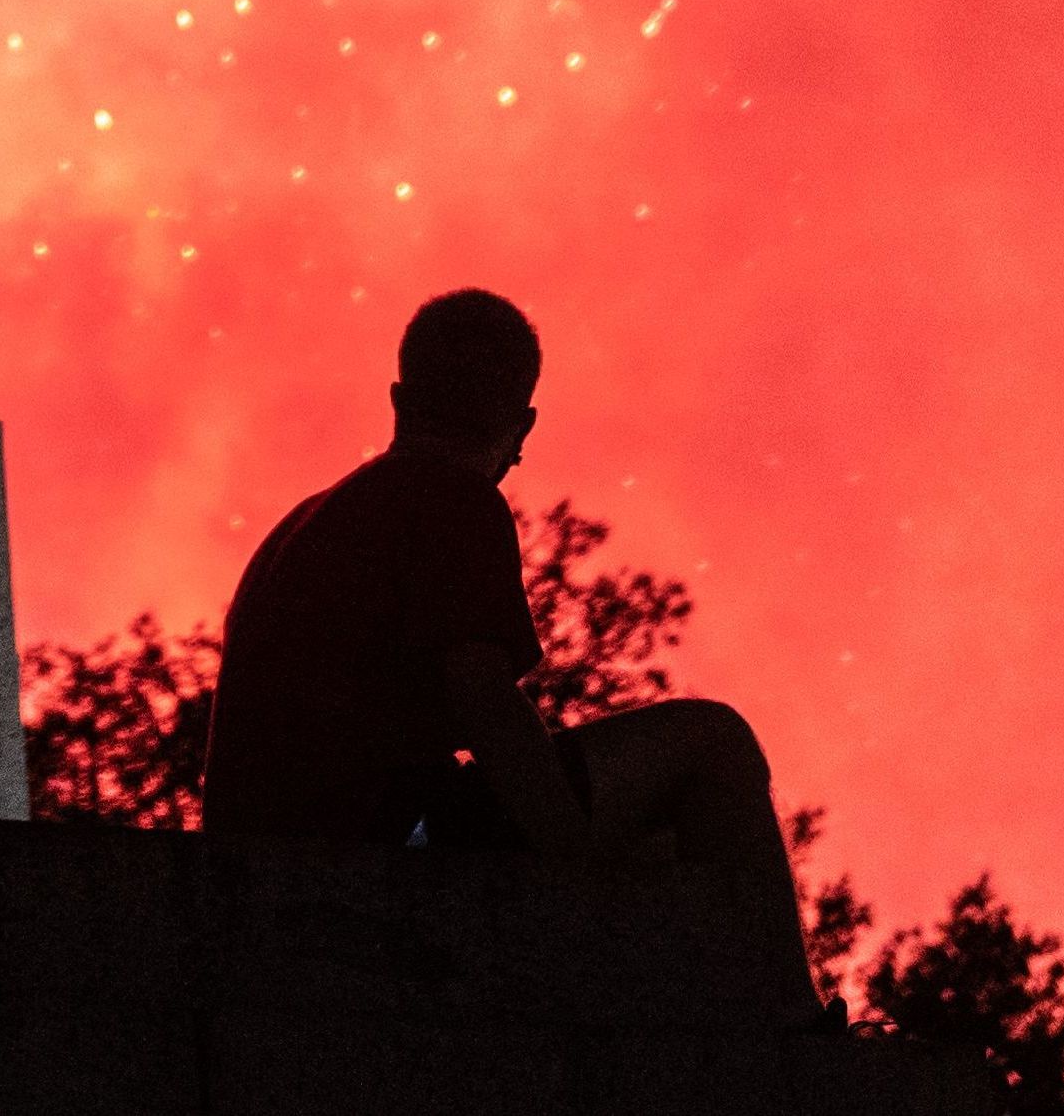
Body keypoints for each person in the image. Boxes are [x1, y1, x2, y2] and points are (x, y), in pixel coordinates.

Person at [202, 289, 827, 1020]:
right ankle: (795, 1024)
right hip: (357, 860)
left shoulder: (306, 523)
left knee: (648, 839)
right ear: (522, 423)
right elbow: (485, 701)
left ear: (400, 396)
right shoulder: (450, 499)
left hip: (263, 864)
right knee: (711, 744)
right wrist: (580, 863)